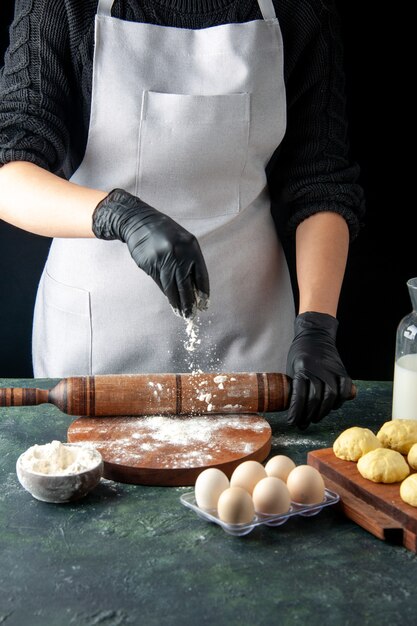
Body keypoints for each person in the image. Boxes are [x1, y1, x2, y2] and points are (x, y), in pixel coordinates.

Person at [0, 0, 365, 430]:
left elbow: (320, 181)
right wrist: (120, 215)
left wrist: (318, 325)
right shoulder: (61, 6)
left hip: (248, 330)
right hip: (98, 338)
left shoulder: (299, 10)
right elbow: (9, 174)